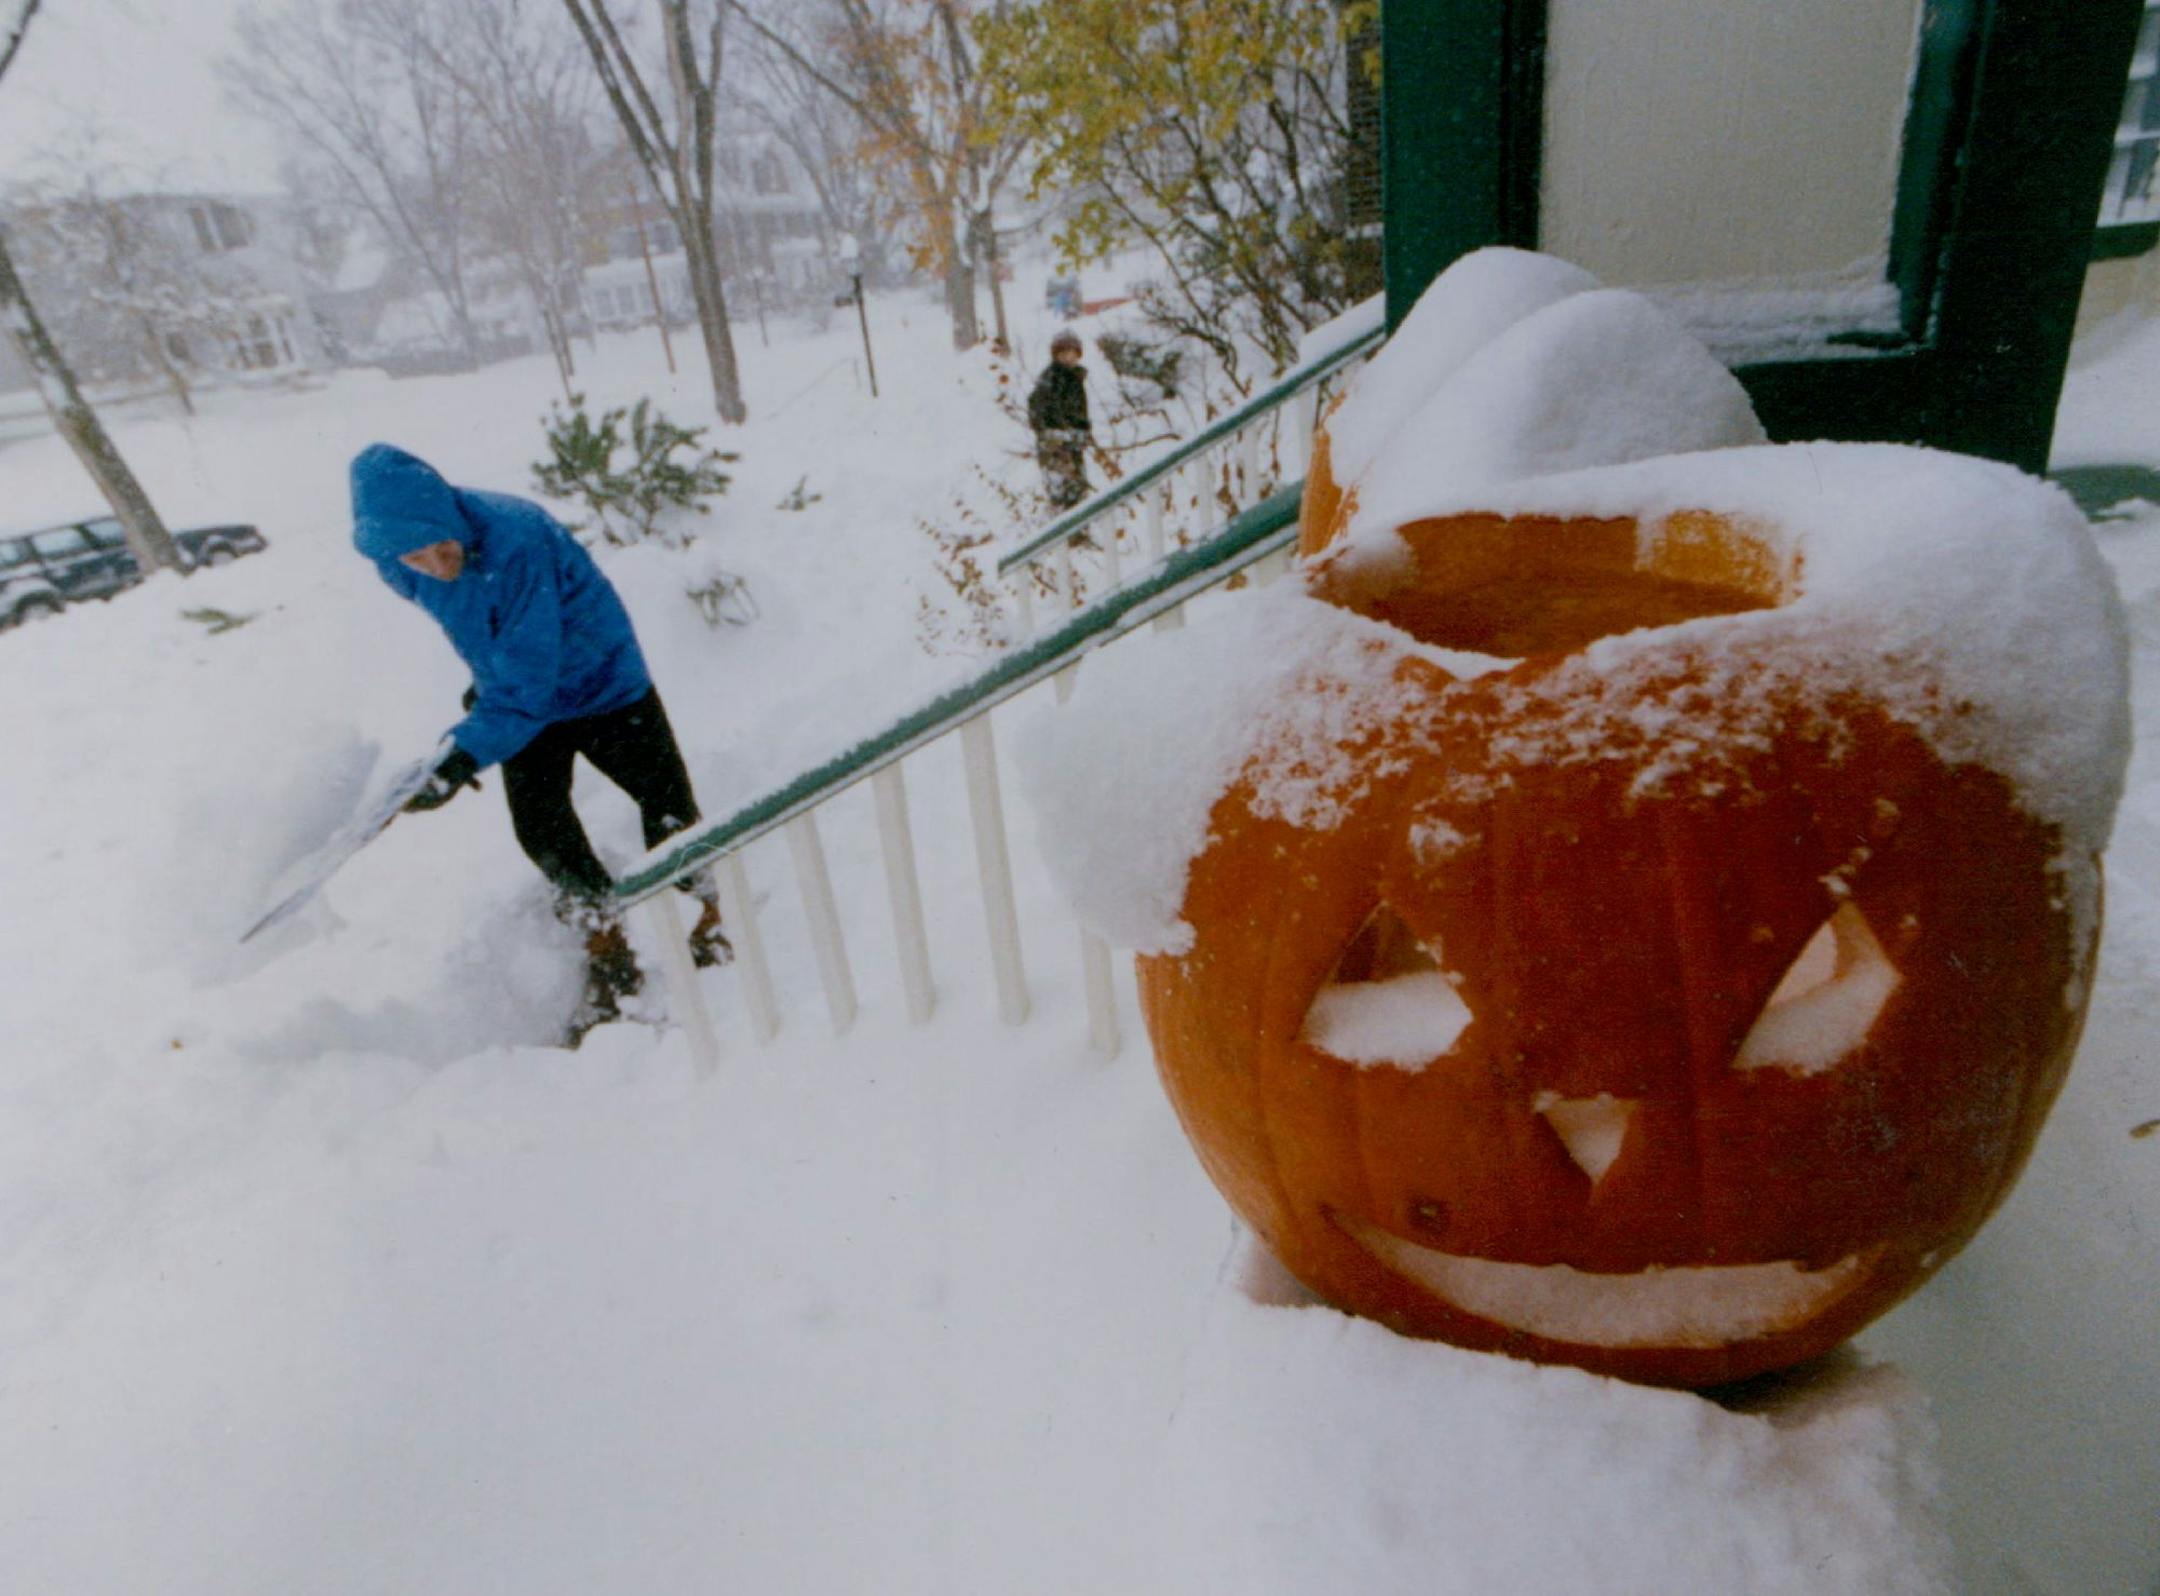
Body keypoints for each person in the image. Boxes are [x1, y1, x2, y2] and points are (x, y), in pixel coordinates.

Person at [349, 442, 728, 1040]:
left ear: (453, 520)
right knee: (541, 828)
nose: (436, 566)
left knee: (666, 805)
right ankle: (607, 946)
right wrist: (486, 686)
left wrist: (467, 752)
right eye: (417, 558)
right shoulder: (398, 565)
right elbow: (477, 627)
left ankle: (709, 916)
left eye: (442, 548)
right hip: (520, 696)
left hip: (603, 683)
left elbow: (530, 678)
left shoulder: (514, 539)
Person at [1027, 329, 1092, 511]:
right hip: (1055, 448)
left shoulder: (1076, 378)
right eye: (1063, 353)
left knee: (1079, 491)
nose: (1068, 357)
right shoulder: (1051, 379)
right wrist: (1053, 434)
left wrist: (1083, 432)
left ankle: (1080, 533)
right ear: (1056, 355)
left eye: (1072, 353)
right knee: (1062, 493)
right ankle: (1065, 531)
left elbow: (1080, 413)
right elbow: (1037, 410)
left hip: (1073, 445)